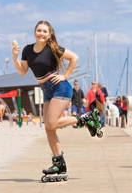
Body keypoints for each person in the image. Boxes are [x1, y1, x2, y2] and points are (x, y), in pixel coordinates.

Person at [12, 20, 100, 177]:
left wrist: (65, 75)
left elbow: (74, 58)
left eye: (45, 31)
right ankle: (58, 163)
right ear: (35, 32)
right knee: (49, 127)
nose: (41, 33)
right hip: (46, 89)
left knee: (52, 123)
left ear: (49, 34)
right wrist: (15, 57)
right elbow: (22, 72)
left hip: (60, 87)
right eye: (39, 30)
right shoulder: (27, 50)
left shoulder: (52, 48)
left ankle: (84, 118)